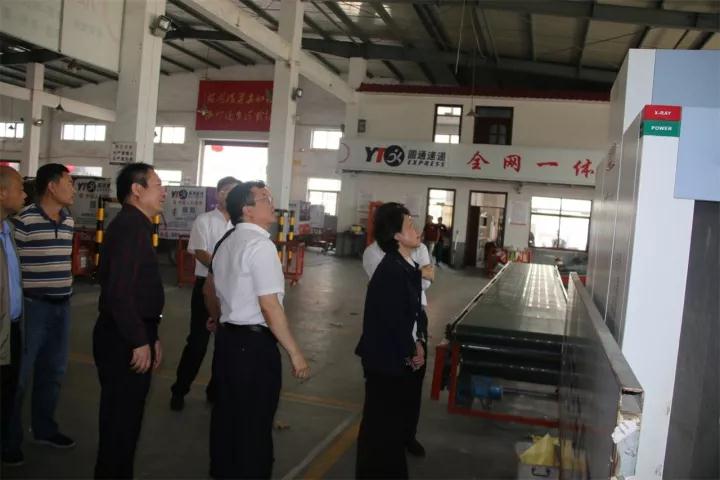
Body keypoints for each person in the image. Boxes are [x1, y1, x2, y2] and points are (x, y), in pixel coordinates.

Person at [204, 181, 310, 479]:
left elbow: (209, 290)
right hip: (253, 348)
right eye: (264, 199)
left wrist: (217, 318)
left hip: (227, 342)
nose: (272, 203)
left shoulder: (225, 242)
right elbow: (270, 306)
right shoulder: (260, 246)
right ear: (247, 210)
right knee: (255, 422)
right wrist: (295, 353)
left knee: (227, 416)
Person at [93, 163, 166, 479]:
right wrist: (138, 339)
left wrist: (152, 334)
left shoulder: (137, 225)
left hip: (133, 330)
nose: (164, 192)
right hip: (122, 337)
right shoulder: (130, 228)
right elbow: (119, 292)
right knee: (120, 423)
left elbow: (139, 290)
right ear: (137, 190)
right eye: (157, 184)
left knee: (126, 420)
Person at [6, 163, 76, 465]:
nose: (73, 189)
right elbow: (11, 267)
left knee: (54, 372)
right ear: (52, 186)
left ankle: (45, 429)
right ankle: (8, 440)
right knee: (20, 377)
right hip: (33, 308)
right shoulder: (24, 221)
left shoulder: (68, 219)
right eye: (69, 183)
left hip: (63, 307)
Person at [356, 202, 425, 479]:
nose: (416, 230)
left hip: (397, 355)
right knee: (380, 429)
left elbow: (414, 313)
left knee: (390, 427)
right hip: (385, 360)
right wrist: (411, 349)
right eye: (409, 225)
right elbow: (392, 322)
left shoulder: (406, 265)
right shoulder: (391, 271)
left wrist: (418, 341)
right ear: (397, 236)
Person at [170, 176, 239, 411]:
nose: (229, 195)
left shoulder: (240, 224)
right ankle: (179, 390)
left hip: (231, 289)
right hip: (206, 286)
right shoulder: (205, 220)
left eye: (235, 191)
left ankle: (214, 391)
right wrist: (225, 266)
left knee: (225, 344)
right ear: (218, 194)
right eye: (226, 190)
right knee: (197, 343)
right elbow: (200, 252)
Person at [0, 166, 27, 466]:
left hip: (13, 328)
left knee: (9, 391)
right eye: (20, 188)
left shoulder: (8, 230)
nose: (24, 194)